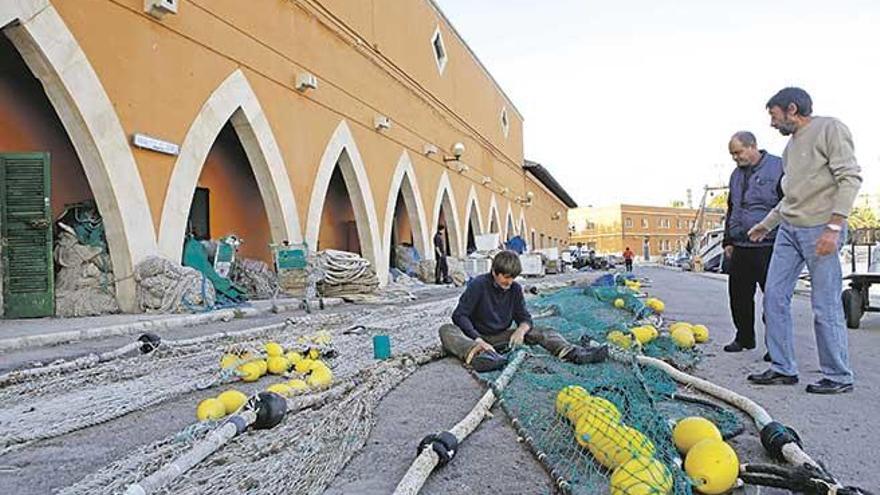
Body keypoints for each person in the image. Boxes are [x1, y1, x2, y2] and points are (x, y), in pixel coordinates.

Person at [747, 87, 861, 394]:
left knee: (824, 304)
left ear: (792, 109)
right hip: (788, 230)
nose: (772, 123)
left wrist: (834, 228)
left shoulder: (830, 128)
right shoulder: (789, 148)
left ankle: (838, 376)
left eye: (774, 115)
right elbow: (790, 199)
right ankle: (783, 368)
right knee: (773, 297)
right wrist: (765, 225)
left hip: (821, 228)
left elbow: (849, 178)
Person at [438, 251, 609, 371]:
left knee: (542, 331)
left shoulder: (515, 289)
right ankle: (479, 357)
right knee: (446, 330)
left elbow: (524, 317)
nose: (509, 282)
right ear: (494, 272)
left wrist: (520, 330)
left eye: (513, 277)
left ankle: (571, 352)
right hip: (477, 338)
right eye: (505, 277)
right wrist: (478, 340)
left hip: (501, 336)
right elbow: (459, 315)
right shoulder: (478, 285)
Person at [722, 131, 783, 361]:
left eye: (738, 152)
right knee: (738, 295)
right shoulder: (735, 175)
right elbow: (731, 208)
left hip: (769, 245)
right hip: (741, 245)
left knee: (773, 299)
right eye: (732, 154)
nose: (735, 158)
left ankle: (776, 346)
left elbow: (788, 203)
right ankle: (744, 337)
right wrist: (728, 240)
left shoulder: (778, 167)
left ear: (752, 146)